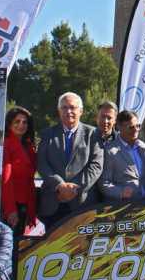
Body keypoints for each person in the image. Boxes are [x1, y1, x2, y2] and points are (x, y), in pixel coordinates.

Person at [37, 92, 104, 228]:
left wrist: (73, 189)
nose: (68, 111)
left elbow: (96, 165)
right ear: (59, 111)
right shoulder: (47, 134)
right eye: (64, 107)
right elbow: (42, 164)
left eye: (72, 107)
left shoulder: (94, 134)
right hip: (53, 202)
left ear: (81, 111)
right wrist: (60, 186)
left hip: (82, 203)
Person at [1, 106, 37, 237]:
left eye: (25, 122)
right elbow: (6, 180)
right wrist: (11, 210)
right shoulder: (6, 144)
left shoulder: (28, 145)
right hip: (12, 206)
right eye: (17, 121)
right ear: (9, 123)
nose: (21, 125)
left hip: (26, 203)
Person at [100, 110, 145, 201]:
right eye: (131, 127)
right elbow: (104, 183)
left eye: (138, 126)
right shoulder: (110, 151)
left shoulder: (142, 147)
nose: (136, 130)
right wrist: (120, 192)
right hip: (125, 206)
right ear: (119, 127)